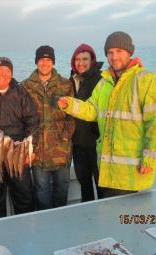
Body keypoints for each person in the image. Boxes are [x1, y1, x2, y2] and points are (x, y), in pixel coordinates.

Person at [58, 31, 156, 198]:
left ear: (129, 52)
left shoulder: (147, 80)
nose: (114, 57)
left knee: (126, 217)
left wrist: (150, 159)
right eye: (110, 52)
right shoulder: (105, 83)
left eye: (119, 51)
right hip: (107, 167)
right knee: (111, 214)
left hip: (130, 170)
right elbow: (91, 109)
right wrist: (69, 104)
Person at [0, 57, 39, 220]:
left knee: (24, 195)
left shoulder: (20, 92)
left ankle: (27, 233)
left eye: (7, 71)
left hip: (17, 150)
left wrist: (31, 148)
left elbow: (32, 120)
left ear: (11, 74)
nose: (3, 74)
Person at [22, 46, 75, 210]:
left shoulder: (65, 85)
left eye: (48, 60)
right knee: (41, 192)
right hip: (38, 151)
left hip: (61, 150)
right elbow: (21, 117)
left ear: (53, 62)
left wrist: (65, 137)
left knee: (62, 189)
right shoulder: (25, 86)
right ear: (37, 62)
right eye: (41, 59)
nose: (45, 63)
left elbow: (73, 115)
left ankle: (60, 222)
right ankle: (45, 225)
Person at [69, 44, 103, 201]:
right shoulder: (71, 81)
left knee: (101, 185)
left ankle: (105, 221)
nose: (80, 63)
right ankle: (89, 219)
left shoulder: (101, 80)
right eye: (77, 59)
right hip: (78, 144)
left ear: (92, 60)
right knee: (85, 185)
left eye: (85, 59)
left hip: (97, 143)